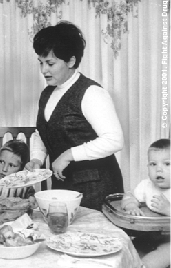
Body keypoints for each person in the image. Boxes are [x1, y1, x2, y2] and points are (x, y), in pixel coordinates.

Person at [26, 21, 124, 211]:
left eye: (50, 63)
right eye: (41, 63)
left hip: (97, 189)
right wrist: (37, 159)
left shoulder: (91, 92)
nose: (43, 70)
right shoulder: (47, 93)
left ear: (70, 61)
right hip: (64, 188)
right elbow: (43, 131)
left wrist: (69, 155)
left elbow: (114, 140)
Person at [121, 139, 170, 268]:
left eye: (167, 164)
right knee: (127, 251)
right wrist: (131, 205)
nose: (159, 169)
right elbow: (128, 196)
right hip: (150, 234)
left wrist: (168, 210)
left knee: (156, 259)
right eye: (153, 164)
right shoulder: (146, 185)